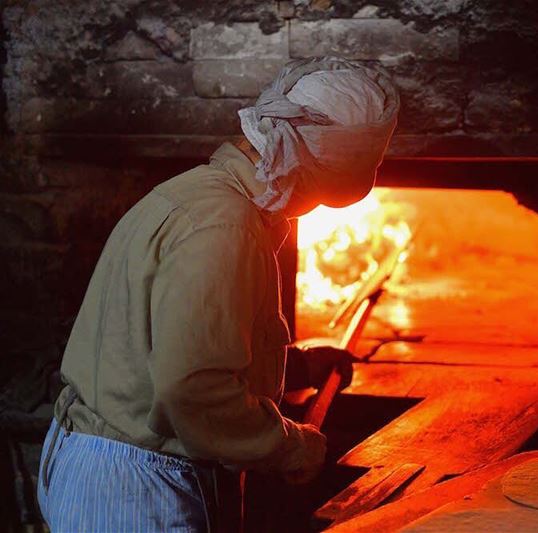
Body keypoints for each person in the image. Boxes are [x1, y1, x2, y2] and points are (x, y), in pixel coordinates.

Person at [36, 56, 399, 532]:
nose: (308, 207)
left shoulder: (196, 194)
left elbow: (161, 346)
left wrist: (299, 367)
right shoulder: (227, 228)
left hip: (99, 459)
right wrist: (291, 445)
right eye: (320, 192)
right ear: (307, 167)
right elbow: (193, 388)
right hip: (136, 491)